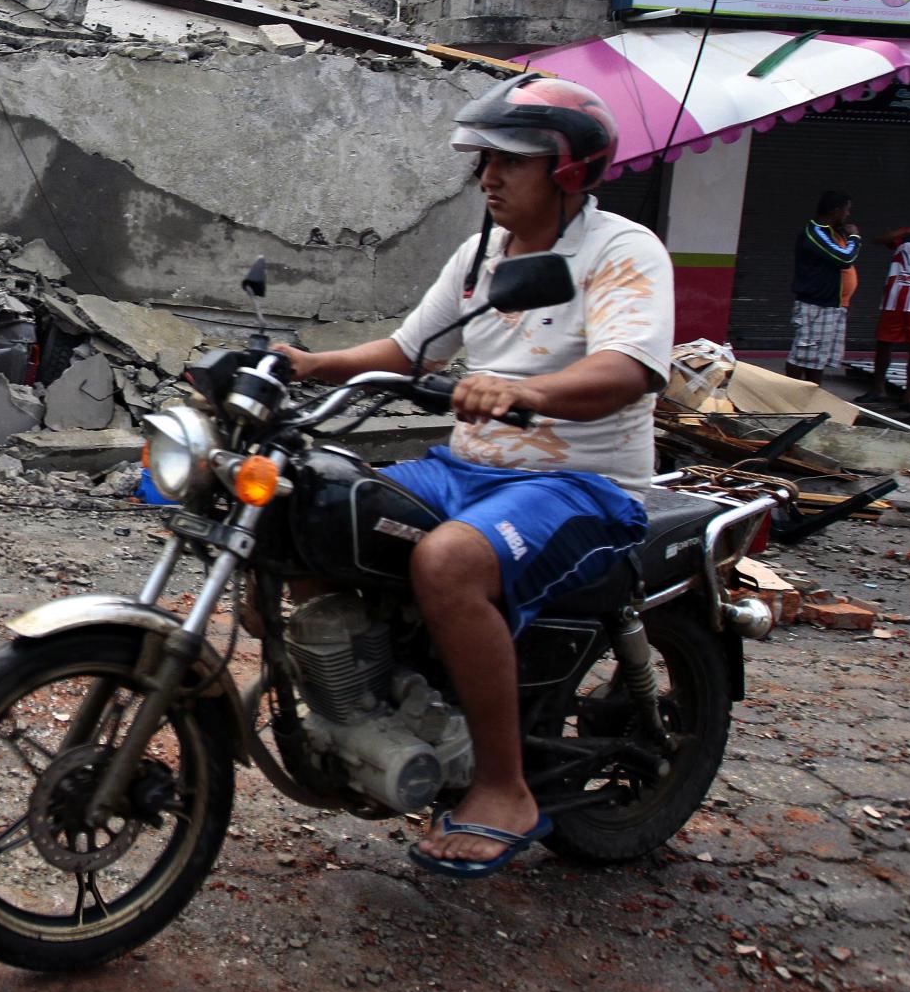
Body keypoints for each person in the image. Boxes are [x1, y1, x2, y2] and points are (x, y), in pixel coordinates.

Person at [278, 72, 672, 879]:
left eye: (510, 161)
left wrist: (527, 391)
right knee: (312, 511)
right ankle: (371, 705)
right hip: (468, 468)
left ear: (568, 171)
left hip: (582, 482)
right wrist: (309, 364)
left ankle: (503, 786)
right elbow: (408, 349)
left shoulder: (623, 251)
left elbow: (627, 369)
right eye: (483, 160)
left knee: (447, 561)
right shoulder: (479, 254)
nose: (488, 176)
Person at [786, 192, 860, 384]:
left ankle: (812, 395)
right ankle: (789, 394)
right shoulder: (815, 232)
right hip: (814, 305)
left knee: (818, 358)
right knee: (802, 354)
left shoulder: (832, 232)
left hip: (832, 304)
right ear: (835, 211)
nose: (847, 214)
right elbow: (845, 259)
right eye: (846, 210)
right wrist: (855, 238)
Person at [860, 224, 910, 412]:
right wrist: (905, 231)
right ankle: (878, 389)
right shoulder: (906, 235)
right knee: (884, 342)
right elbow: (879, 239)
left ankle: (909, 396)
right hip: (894, 299)